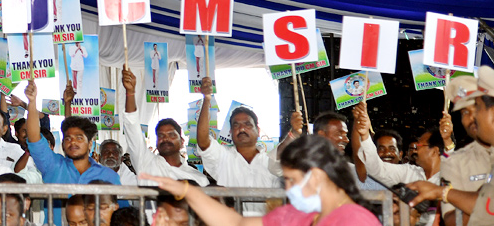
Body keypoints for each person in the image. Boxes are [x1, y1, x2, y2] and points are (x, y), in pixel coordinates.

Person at [142, 134, 381, 226]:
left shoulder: (355, 220)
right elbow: (237, 224)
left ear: (316, 176)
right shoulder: (299, 216)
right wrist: (189, 192)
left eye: (290, 180)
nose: (286, 188)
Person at [23, 80, 120, 222]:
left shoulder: (108, 176)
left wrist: (68, 104)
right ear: (62, 144)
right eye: (68, 139)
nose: (72, 142)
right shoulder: (53, 166)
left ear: (90, 144)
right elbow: (34, 139)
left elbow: (118, 216)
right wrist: (32, 102)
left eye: (79, 138)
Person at [193, 77, 278, 215]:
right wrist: (207, 99)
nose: (242, 129)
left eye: (247, 124)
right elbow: (203, 141)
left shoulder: (271, 161)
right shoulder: (223, 157)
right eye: (236, 125)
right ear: (231, 132)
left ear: (258, 131)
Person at [120, 66, 210, 186]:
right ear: (156, 142)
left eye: (171, 135)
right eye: (161, 135)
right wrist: (130, 93)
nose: (165, 138)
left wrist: (207, 99)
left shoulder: (198, 180)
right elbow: (132, 125)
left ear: (182, 141)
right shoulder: (146, 163)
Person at [438, 75, 489, 225]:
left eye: (477, 108)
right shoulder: (454, 163)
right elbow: (451, 220)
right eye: (464, 112)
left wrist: (461, 200)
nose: (471, 117)